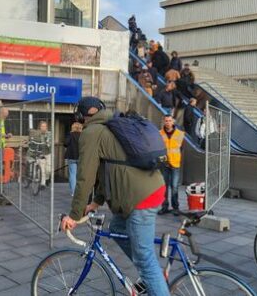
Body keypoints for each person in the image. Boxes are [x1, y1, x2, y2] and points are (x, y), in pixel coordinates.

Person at [61, 97, 169, 296]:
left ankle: (151, 273)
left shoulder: (92, 132)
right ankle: (150, 272)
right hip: (150, 188)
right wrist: (96, 201)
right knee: (117, 227)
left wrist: (74, 216)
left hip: (140, 198)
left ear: (81, 116)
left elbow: (85, 178)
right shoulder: (113, 125)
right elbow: (110, 170)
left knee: (145, 260)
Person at [159, 115, 185, 216]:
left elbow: (181, 148)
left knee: (174, 187)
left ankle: (175, 208)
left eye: (169, 121)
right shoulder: (160, 134)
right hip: (165, 164)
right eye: (166, 121)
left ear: (173, 122)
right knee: (164, 187)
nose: (168, 122)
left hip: (175, 164)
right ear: (164, 122)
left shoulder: (180, 134)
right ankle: (164, 207)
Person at [28, 121, 52, 188]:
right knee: (42, 169)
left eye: (45, 126)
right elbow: (32, 140)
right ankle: (42, 184)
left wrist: (48, 143)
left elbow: (50, 141)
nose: (43, 128)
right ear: (39, 127)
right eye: (42, 126)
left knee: (48, 169)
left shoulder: (49, 133)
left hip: (48, 153)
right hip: (40, 153)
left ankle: (47, 178)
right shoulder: (37, 134)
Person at [64, 122, 82, 197]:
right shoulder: (83, 135)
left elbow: (66, 143)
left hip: (71, 157)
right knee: (80, 175)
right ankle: (81, 191)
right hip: (81, 157)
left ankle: (73, 192)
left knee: (72, 174)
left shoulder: (70, 135)